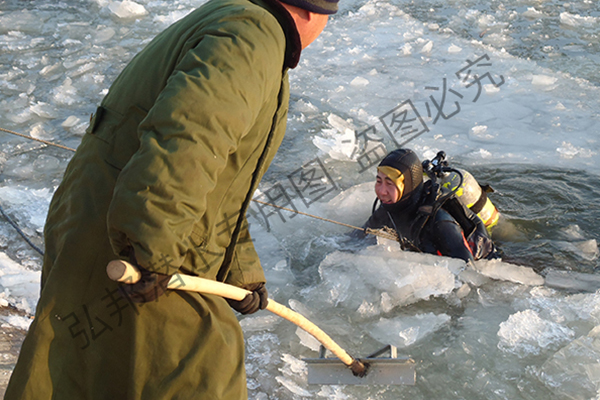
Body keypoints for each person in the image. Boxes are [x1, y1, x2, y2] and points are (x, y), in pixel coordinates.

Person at [5, 0, 336, 398]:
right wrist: (151, 249)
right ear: (314, 13)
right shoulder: (251, 36)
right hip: (140, 241)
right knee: (201, 378)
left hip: (113, 225)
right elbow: (188, 137)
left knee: (81, 371)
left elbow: (220, 187)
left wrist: (242, 271)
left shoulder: (237, 21)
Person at [359, 148, 497, 264]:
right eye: (379, 181)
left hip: (488, 263)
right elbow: (355, 239)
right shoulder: (388, 208)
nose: (382, 191)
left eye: (390, 184)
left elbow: (469, 272)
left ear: (407, 186)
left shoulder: (440, 222)